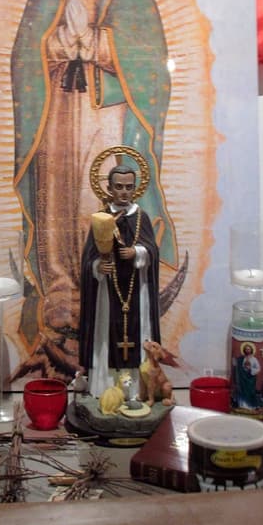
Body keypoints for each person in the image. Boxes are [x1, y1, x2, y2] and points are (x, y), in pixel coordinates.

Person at [10, 0, 176, 357]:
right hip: (59, 112)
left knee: (92, 196)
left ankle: (102, 299)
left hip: (106, 116)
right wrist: (56, 46)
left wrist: (99, 43)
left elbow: (151, 64)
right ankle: (59, 302)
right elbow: (24, 56)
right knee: (57, 201)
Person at [78, 165, 161, 399]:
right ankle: (105, 388)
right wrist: (97, 267)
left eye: (128, 187)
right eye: (119, 187)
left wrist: (138, 252)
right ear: (109, 188)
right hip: (108, 291)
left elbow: (153, 251)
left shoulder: (141, 217)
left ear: (135, 188)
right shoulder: (102, 218)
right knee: (107, 335)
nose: (124, 192)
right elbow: (89, 259)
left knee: (137, 334)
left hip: (137, 289)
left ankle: (136, 391)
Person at [233, 343, 263, 410]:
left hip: (250, 379)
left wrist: (251, 369)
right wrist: (235, 361)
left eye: (248, 349)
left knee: (250, 391)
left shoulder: (254, 359)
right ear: (244, 350)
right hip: (242, 378)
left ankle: (251, 406)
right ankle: (243, 405)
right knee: (242, 391)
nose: (247, 350)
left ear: (251, 350)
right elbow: (237, 365)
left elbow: (258, 368)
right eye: (246, 349)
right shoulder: (241, 358)